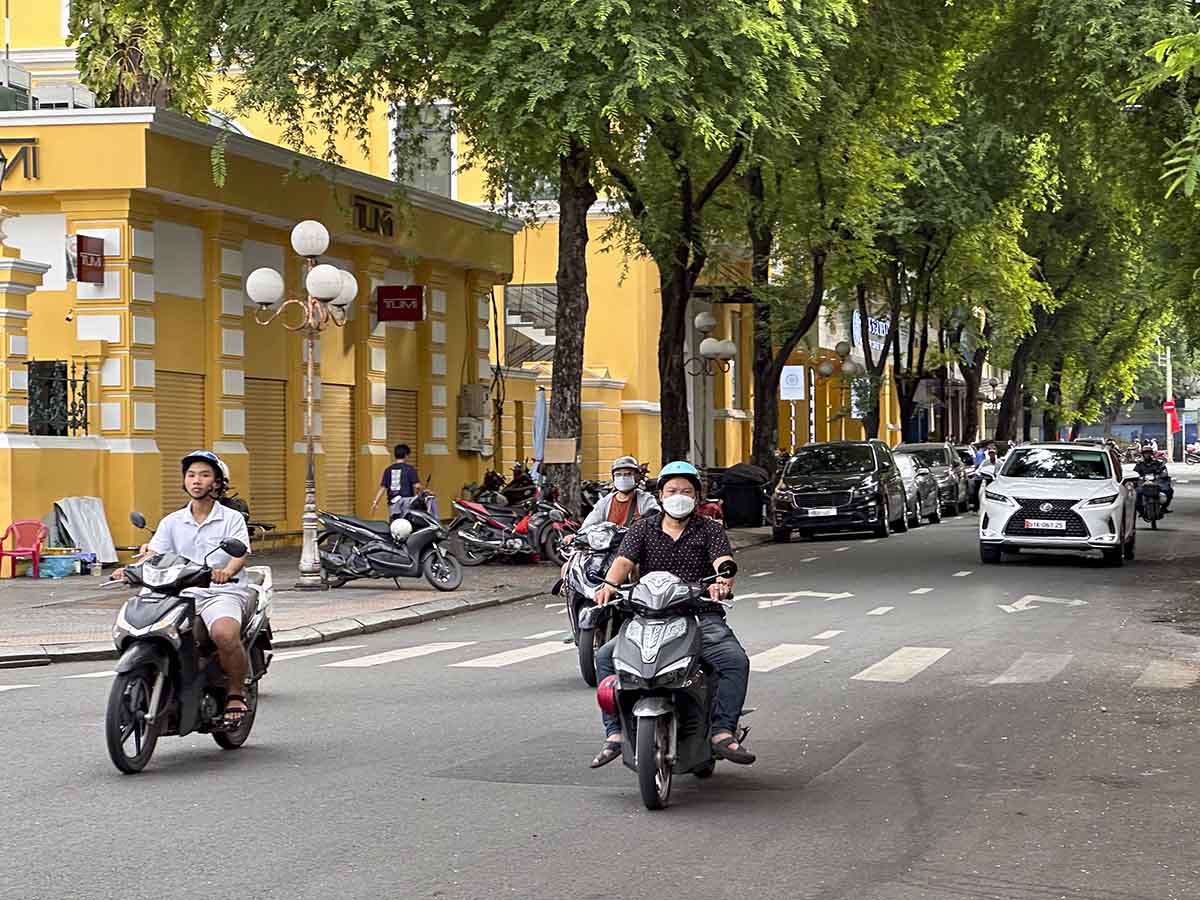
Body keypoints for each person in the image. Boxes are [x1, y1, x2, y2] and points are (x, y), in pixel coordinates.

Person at [589, 460, 753, 769]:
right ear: (661, 495)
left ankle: (722, 731)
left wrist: (722, 583)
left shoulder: (710, 529)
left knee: (734, 661)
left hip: (699, 615)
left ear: (696, 497)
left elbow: (723, 562)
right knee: (605, 658)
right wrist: (609, 586)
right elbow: (623, 562)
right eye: (672, 490)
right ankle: (615, 733)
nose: (679, 496)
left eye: (686, 491)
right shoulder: (643, 528)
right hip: (649, 616)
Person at [122, 451, 252, 728]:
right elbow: (155, 553)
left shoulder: (231, 518)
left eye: (204, 475)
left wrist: (226, 571)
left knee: (224, 634)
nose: (196, 480)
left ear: (217, 482)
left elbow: (240, 554)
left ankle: (236, 692)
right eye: (191, 475)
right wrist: (130, 569)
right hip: (180, 592)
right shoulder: (172, 521)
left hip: (221, 591)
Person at [581, 455, 660, 528]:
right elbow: (588, 526)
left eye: (628, 474)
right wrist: (574, 536)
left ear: (637, 477)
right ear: (613, 478)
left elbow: (656, 522)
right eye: (618, 475)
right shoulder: (604, 502)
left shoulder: (646, 500)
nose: (623, 478)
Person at [371, 444, 438, 521]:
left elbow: (382, 488)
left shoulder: (388, 470)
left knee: (395, 523)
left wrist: (375, 502)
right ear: (406, 455)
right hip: (407, 501)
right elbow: (417, 486)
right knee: (407, 523)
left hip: (393, 502)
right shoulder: (409, 469)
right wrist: (426, 491)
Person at [1134, 445, 1173, 513]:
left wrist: (1161, 475)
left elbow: (1164, 472)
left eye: (1149, 453)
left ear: (1151, 453)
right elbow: (1135, 473)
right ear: (1143, 454)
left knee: (1169, 490)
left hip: (1157, 482)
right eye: (1145, 453)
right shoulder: (1139, 464)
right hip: (1143, 482)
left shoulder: (1158, 463)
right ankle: (1140, 510)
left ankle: (1164, 508)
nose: (1147, 455)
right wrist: (1139, 478)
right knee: (1137, 493)